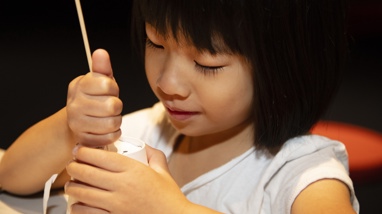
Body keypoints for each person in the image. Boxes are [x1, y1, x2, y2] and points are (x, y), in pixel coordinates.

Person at [0, 0, 359, 213]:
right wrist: (72, 126)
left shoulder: (302, 173)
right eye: (156, 43)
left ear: (287, 66)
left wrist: (170, 209)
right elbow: (12, 178)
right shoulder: (150, 132)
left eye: (207, 64)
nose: (167, 84)